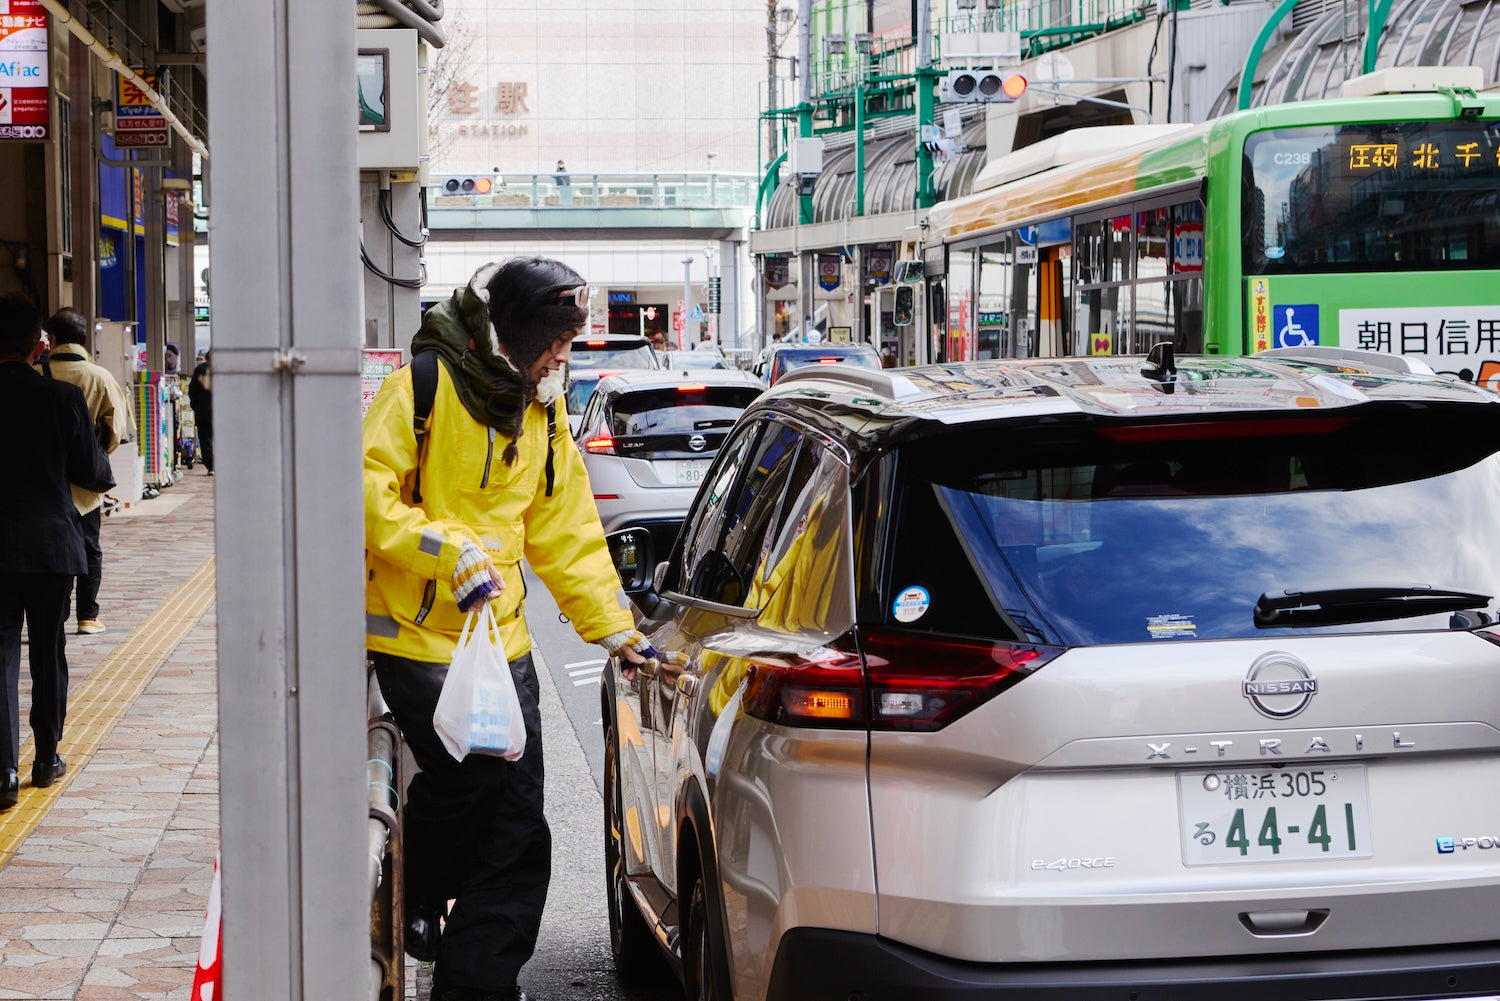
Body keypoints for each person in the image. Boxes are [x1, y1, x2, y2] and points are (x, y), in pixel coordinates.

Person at [363, 258, 651, 1001]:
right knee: (471, 778)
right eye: (557, 342)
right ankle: (416, 888)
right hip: (419, 639)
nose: (565, 357)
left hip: (508, 644)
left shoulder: (543, 406)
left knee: (521, 830)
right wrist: (445, 549)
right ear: (518, 331)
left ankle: (475, 986)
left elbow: (564, 528)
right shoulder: (421, 386)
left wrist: (616, 628)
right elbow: (365, 495)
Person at [0, 295, 101, 811]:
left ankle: (0, 775)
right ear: (40, 345)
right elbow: (95, 473)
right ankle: (45, 759)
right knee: (46, 648)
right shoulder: (62, 400)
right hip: (50, 544)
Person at [39, 308, 133, 635]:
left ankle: (55, 614)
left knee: (50, 548)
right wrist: (91, 457)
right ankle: (88, 616)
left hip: (42, 481)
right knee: (89, 546)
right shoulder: (101, 377)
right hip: (86, 487)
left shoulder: (36, 373)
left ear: (50, 339)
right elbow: (116, 430)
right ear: (84, 340)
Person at [188, 349, 213, 474]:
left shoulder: (200, 369)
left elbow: (192, 390)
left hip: (203, 411)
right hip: (223, 412)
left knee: (205, 440)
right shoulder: (227, 369)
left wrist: (196, 406)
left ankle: (211, 466)